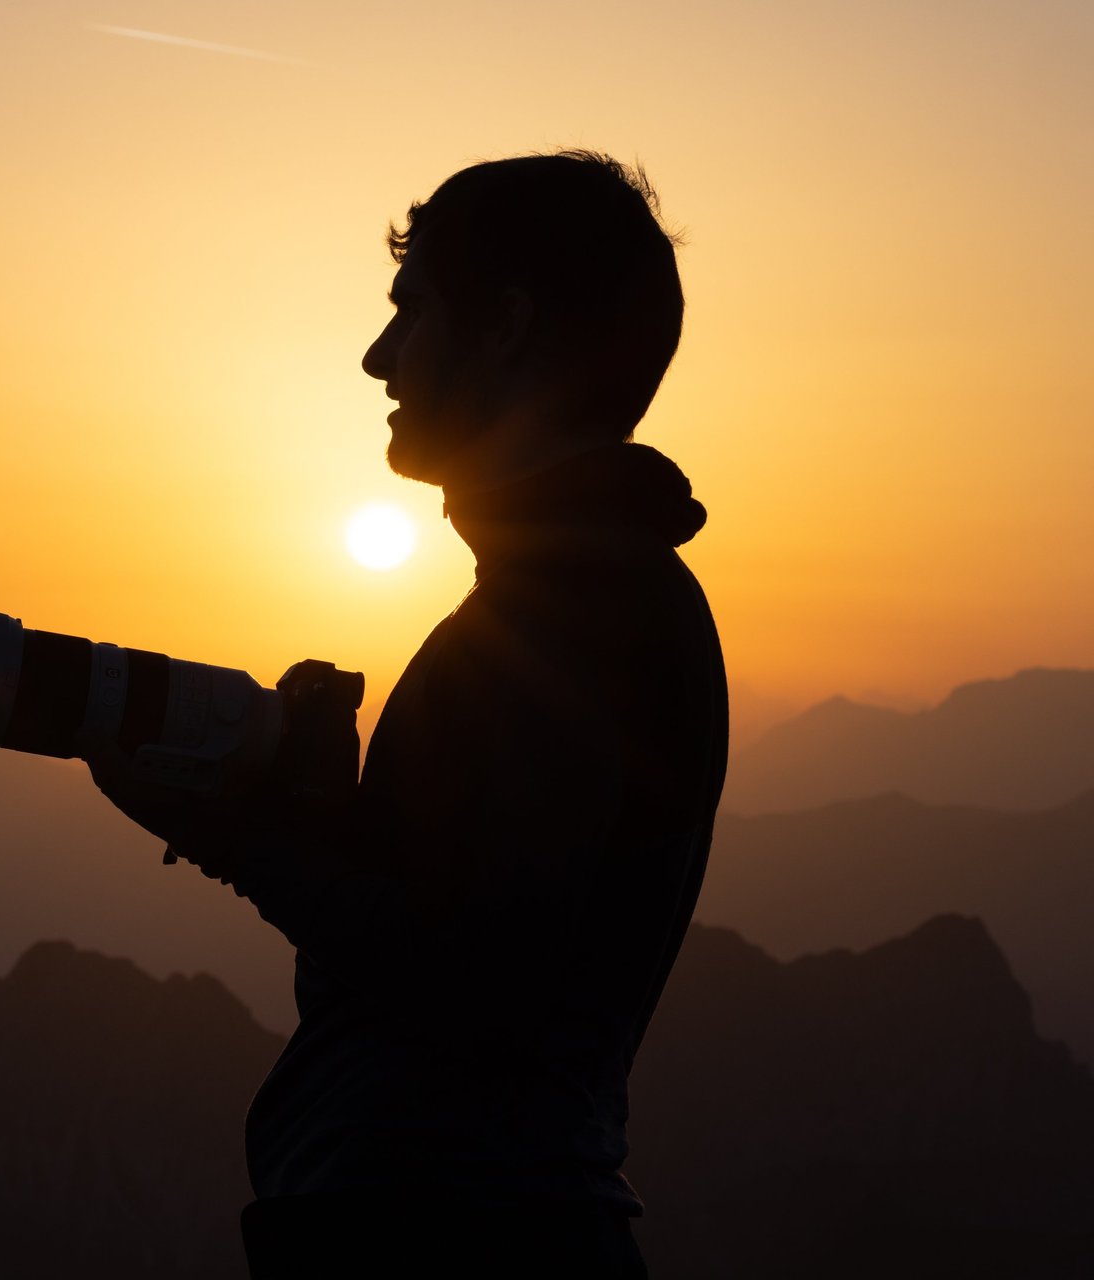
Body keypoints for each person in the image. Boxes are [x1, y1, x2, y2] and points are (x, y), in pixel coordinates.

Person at [94, 151, 728, 1278]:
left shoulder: (576, 612)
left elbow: (463, 974)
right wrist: (325, 812)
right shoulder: (580, 597)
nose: (379, 356)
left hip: (459, 1238)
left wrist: (233, 831)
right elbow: (463, 922)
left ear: (504, 328)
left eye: (411, 309)